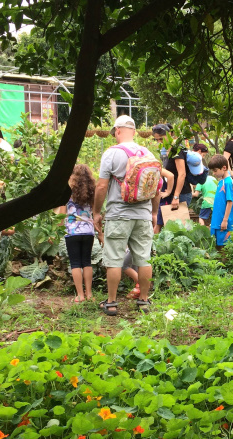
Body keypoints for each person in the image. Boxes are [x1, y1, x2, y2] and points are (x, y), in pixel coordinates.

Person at [92, 115, 160, 316]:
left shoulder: (112, 153)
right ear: (135, 132)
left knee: (114, 259)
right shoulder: (148, 153)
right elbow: (156, 188)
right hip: (143, 215)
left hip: (119, 214)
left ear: (118, 131)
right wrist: (154, 212)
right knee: (143, 259)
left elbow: (102, 185)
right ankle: (144, 301)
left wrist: (97, 212)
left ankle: (112, 303)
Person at [57, 164, 96, 303]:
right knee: (87, 261)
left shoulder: (67, 192)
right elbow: (96, 212)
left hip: (72, 231)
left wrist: (57, 231)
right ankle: (89, 293)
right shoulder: (92, 191)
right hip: (88, 231)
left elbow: (61, 215)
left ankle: (80, 295)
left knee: (75, 263)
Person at [208, 155, 233, 248]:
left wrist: (225, 220)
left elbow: (230, 202)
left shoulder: (228, 182)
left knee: (224, 248)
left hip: (223, 223)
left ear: (224, 168)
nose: (214, 173)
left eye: (215, 170)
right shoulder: (222, 181)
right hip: (217, 221)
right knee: (217, 246)